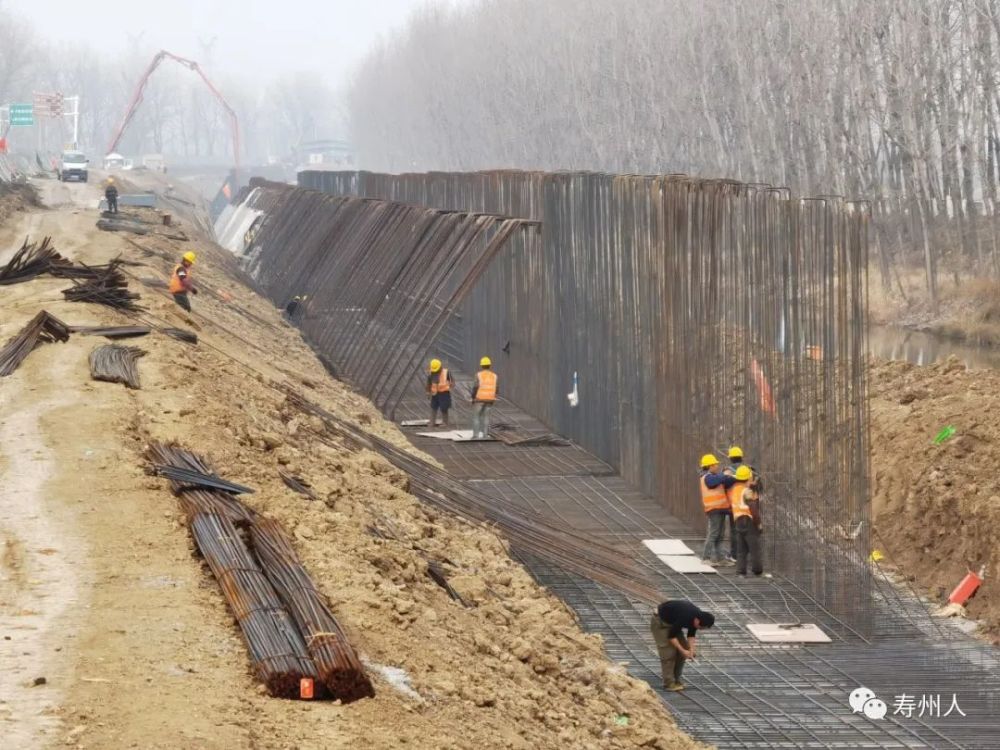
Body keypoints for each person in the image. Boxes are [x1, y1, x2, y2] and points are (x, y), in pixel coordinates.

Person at [649, 599, 715, 691]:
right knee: (669, 653)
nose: (700, 629)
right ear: (697, 621)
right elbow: (671, 636)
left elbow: (691, 635)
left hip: (673, 623)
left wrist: (691, 650)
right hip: (661, 623)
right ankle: (669, 683)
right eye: (701, 627)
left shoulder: (698, 616)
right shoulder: (686, 616)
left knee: (682, 652)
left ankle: (676, 679)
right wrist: (683, 651)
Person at [700, 453, 737, 566]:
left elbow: (727, 482)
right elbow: (714, 481)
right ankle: (706, 558)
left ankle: (720, 559)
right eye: (715, 465)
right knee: (713, 534)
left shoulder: (716, 477)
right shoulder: (707, 477)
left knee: (720, 535)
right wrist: (725, 474)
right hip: (714, 509)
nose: (717, 466)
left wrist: (735, 477)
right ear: (710, 466)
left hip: (721, 509)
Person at [729, 465, 764, 575]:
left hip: (738, 522)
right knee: (755, 548)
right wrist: (758, 524)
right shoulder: (747, 491)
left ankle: (741, 571)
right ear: (748, 478)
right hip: (748, 521)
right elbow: (753, 508)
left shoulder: (735, 489)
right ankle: (757, 570)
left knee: (741, 549)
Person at [470, 356, 497, 439]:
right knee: (486, 417)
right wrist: (493, 396)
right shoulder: (494, 376)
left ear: (481, 365)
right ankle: (485, 435)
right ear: (490, 365)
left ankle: (476, 435)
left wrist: (473, 397)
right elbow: (496, 388)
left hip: (479, 399)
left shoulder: (479, 375)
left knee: (476, 417)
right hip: (490, 399)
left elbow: (475, 387)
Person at [426, 358, 455, 427]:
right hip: (435, 393)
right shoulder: (431, 373)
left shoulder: (446, 372)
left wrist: (452, 384)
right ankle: (432, 422)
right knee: (433, 407)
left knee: (444, 408)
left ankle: (445, 422)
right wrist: (427, 392)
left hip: (444, 393)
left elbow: (452, 381)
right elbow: (428, 383)